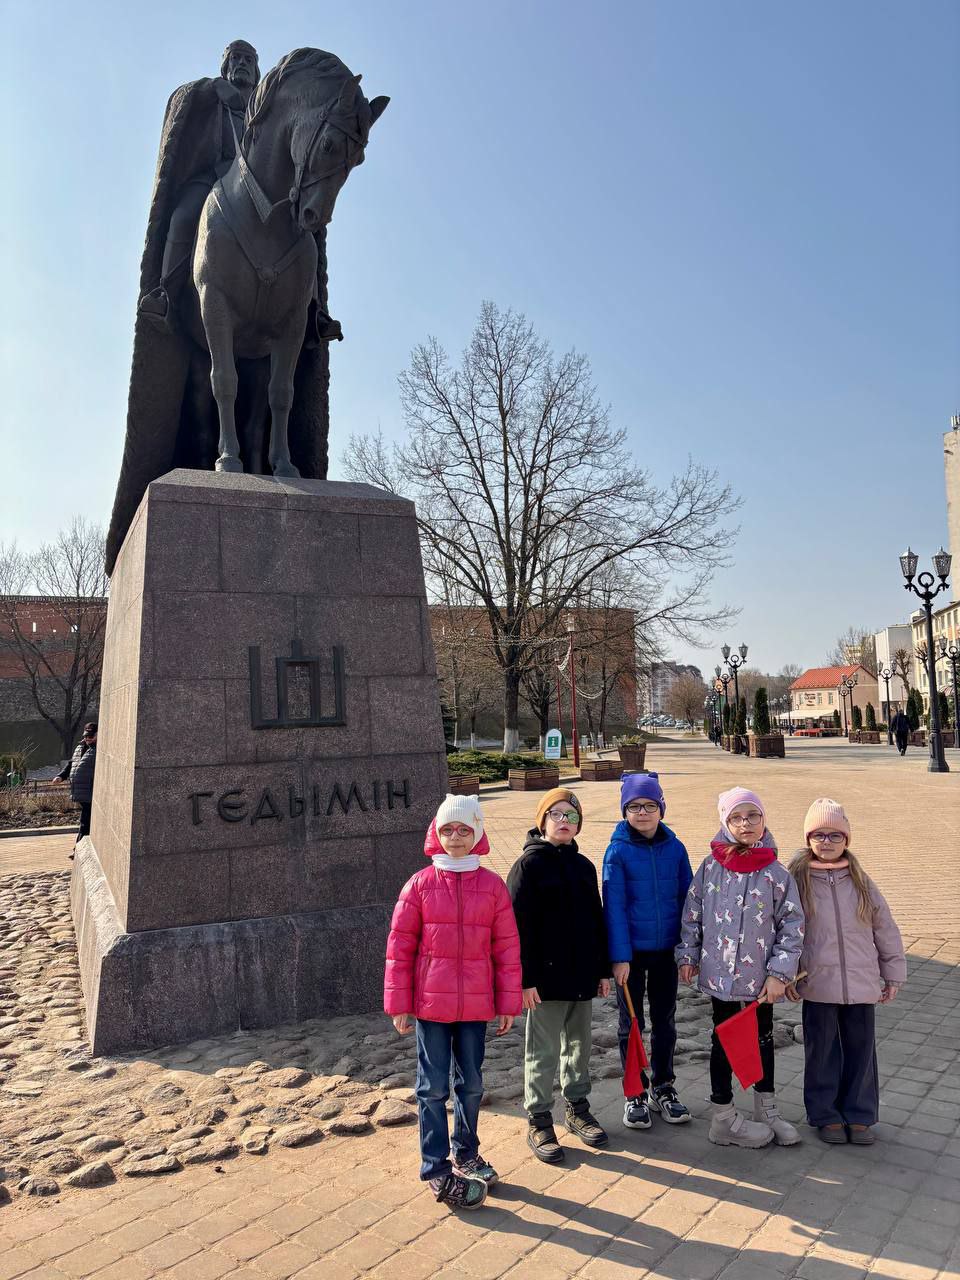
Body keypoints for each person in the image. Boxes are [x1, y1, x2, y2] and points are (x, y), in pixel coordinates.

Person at [384, 795, 521, 1210]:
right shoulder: (419, 885)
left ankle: (467, 1152)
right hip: (431, 1007)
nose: (456, 837)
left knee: (472, 1084)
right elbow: (400, 947)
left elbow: (506, 948)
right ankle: (436, 1169)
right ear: (436, 833)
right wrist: (399, 1003)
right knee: (431, 1088)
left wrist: (508, 1001)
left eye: (464, 829)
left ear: (477, 833)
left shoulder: (493, 886)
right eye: (447, 829)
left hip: (476, 1007)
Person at [677, 786, 805, 1148]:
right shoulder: (710, 867)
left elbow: (792, 926)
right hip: (719, 976)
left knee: (763, 1039)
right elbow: (693, 913)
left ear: (763, 820)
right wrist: (687, 955)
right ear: (725, 822)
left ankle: (767, 1108)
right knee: (723, 1039)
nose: (745, 823)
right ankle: (723, 1115)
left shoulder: (776, 874)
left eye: (752, 816)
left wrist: (779, 973)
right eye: (736, 817)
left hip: (759, 980)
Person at [786, 799, 905, 1145]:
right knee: (822, 1051)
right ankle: (825, 1114)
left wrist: (893, 973)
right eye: (819, 835)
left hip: (861, 982)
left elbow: (885, 928)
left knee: (860, 1050)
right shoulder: (796, 880)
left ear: (846, 839)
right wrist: (787, 973)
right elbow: (785, 931)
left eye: (835, 835)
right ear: (808, 839)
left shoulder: (860, 880)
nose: (826, 842)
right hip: (817, 982)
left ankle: (859, 1113)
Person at [507, 788, 611, 1163]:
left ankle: (577, 1108)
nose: (564, 821)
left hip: (581, 975)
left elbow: (596, 921)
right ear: (543, 820)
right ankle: (538, 1118)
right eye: (556, 814)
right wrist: (525, 979)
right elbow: (516, 928)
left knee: (579, 1047)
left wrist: (602, 970)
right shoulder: (527, 865)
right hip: (544, 982)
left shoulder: (584, 866)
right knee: (544, 1051)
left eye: (571, 815)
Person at [602, 772, 693, 1129]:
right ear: (625, 811)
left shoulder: (676, 848)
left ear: (661, 809)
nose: (642, 812)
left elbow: (688, 901)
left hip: (666, 950)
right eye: (635, 806)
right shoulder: (617, 851)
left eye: (650, 805)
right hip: (632, 956)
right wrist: (619, 957)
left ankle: (663, 1085)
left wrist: (687, 949)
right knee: (631, 1023)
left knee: (665, 1021)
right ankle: (634, 1092)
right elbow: (614, 907)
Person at [57, 722, 97, 851]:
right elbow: (71, 764)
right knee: (86, 821)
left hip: (90, 791)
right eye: (86, 736)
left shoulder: (98, 750)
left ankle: (79, 849)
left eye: (91, 736)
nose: (87, 738)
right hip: (80, 791)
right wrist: (61, 776)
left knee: (85, 822)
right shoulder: (80, 747)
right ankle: (79, 848)